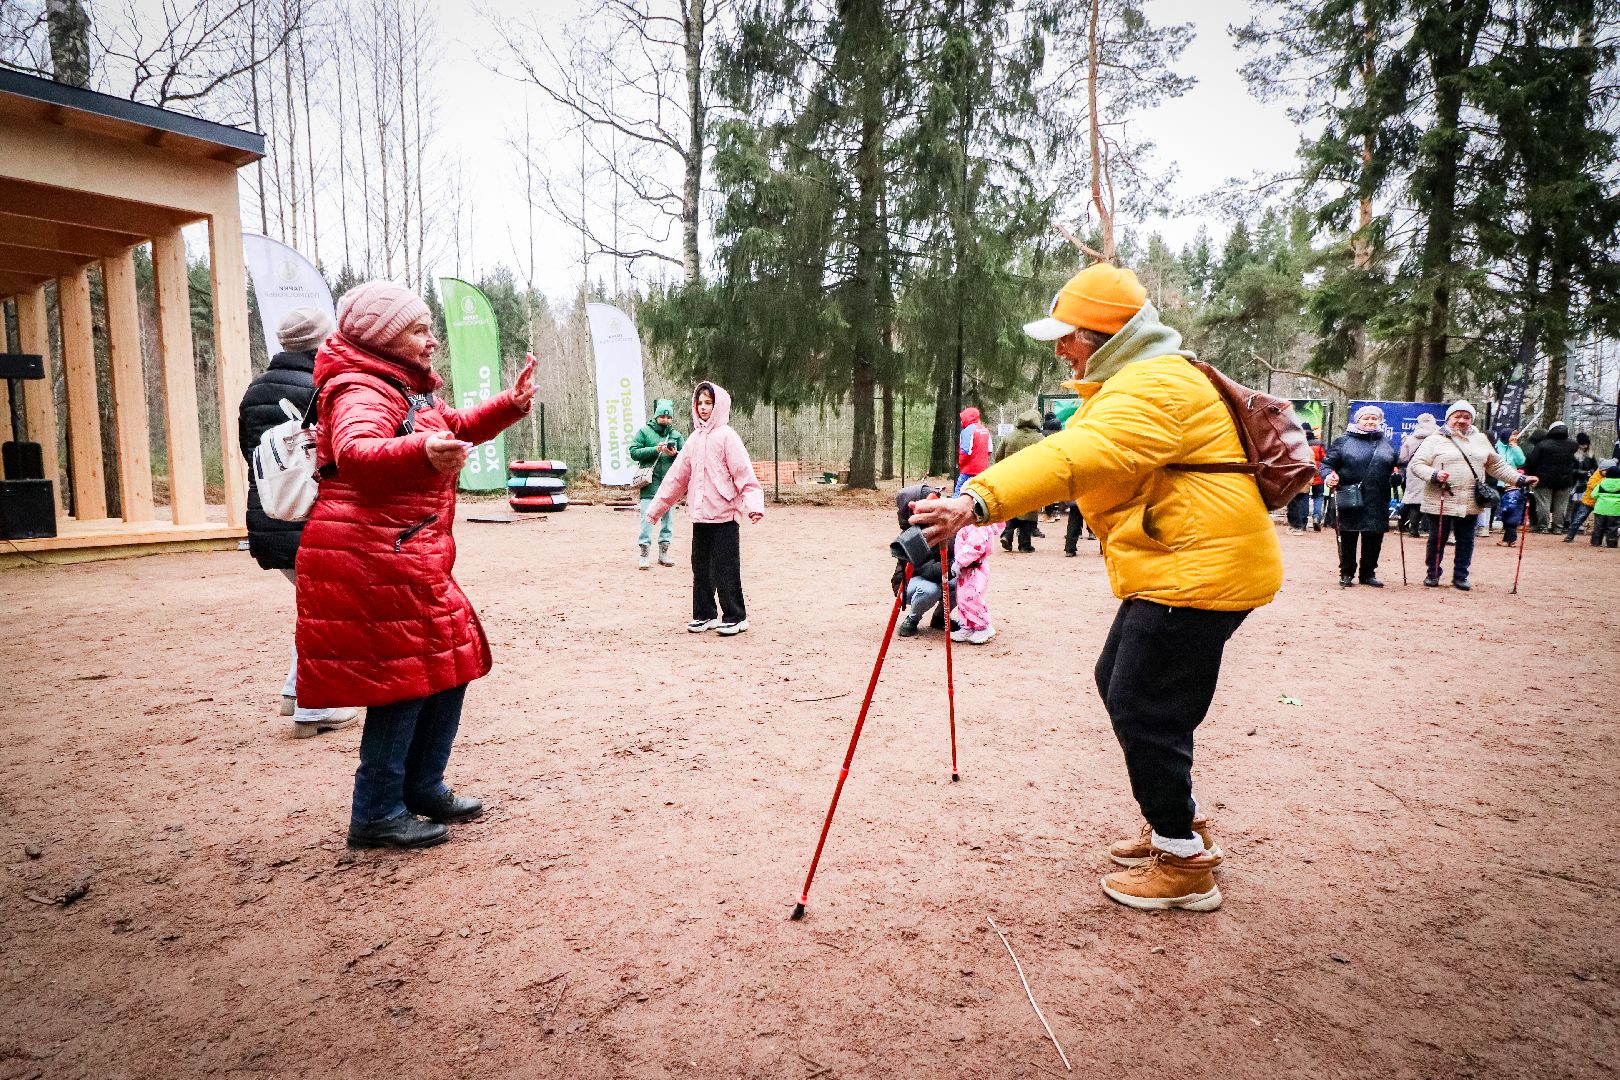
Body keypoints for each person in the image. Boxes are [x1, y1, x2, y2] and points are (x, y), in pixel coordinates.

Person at [912, 262, 1281, 913]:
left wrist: (978, 500)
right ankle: (1180, 825)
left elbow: (1075, 457)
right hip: (1183, 563)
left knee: (1143, 705)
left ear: (1106, 336)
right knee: (1121, 683)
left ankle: (1183, 864)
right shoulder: (1138, 379)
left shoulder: (1155, 385)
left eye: (1069, 335)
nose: (1060, 349)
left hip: (1196, 570)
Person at [297, 280, 535, 849]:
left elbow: (455, 428)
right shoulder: (359, 387)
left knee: (451, 662)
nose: (432, 341)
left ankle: (422, 786)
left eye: (430, 329)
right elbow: (356, 452)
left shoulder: (406, 386)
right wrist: (421, 452)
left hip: (403, 548)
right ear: (384, 337)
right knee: (401, 679)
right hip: (370, 553)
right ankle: (376, 812)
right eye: (418, 330)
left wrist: (508, 405)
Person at [237, 308, 364, 738]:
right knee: (331, 611)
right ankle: (315, 706)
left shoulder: (256, 389)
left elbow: (251, 454)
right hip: (315, 516)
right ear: (325, 340)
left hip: (271, 514)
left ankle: (297, 690)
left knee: (316, 606)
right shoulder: (324, 385)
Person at [646, 381, 764, 636]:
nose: (703, 407)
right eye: (699, 403)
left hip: (725, 516)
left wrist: (754, 505)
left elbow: (744, 473)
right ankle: (704, 614)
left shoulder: (727, 436)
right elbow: (676, 478)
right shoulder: (693, 440)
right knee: (700, 569)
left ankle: (736, 616)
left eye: (708, 403)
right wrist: (656, 509)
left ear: (718, 405)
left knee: (726, 568)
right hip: (700, 516)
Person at [1407, 401, 1527, 590]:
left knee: (1466, 540)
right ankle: (1433, 574)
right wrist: (1434, 474)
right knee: (1437, 539)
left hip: (1470, 499)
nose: (1461, 420)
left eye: (1466, 417)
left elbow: (1496, 465)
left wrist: (1519, 479)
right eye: (1457, 416)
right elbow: (1416, 464)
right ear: (1448, 418)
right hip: (1440, 498)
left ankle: (1461, 576)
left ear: (1472, 419)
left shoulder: (1480, 439)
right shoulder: (1434, 439)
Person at [1324, 405, 1397, 587]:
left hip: (1378, 498)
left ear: (1380, 421)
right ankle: (1346, 572)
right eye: (1366, 418)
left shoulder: (1386, 443)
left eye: (1374, 418)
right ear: (1357, 421)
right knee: (1348, 536)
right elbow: (1326, 464)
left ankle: (1368, 574)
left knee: (1374, 537)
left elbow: (1398, 466)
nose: (1370, 422)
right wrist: (1329, 476)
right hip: (1350, 497)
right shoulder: (1343, 441)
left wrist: (1398, 476)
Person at [892, 484, 956, 638]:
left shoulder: (942, 527)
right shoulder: (910, 537)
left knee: (965, 583)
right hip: (911, 583)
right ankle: (912, 619)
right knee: (929, 590)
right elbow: (922, 569)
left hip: (940, 575)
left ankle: (940, 617)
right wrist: (949, 567)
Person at [629, 399, 684, 569]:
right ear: (656, 416)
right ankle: (644, 554)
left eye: (668, 417)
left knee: (668, 521)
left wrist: (675, 454)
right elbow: (633, 452)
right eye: (662, 416)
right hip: (649, 484)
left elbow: (686, 458)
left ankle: (664, 554)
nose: (665, 420)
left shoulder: (676, 435)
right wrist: (655, 449)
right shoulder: (644, 432)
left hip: (670, 485)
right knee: (647, 519)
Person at [995, 409, 1045, 552]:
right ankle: (1024, 545)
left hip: (1010, 479)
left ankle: (1007, 535)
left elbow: (998, 457)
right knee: (1027, 511)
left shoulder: (1009, 437)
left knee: (1012, 508)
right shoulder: (1040, 439)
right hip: (1031, 480)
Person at [951, 521, 1002, 644]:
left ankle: (983, 626)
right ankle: (967, 626)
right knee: (962, 598)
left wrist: (959, 561)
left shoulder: (979, 525)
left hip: (975, 568)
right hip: (965, 568)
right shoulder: (968, 523)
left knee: (972, 597)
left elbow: (975, 546)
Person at [1524, 421, 1578, 533]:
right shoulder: (1573, 445)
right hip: (1565, 480)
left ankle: (1542, 526)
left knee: (1543, 503)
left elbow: (1532, 462)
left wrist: (1531, 474)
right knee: (1561, 505)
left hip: (1543, 480)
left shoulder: (1542, 445)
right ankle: (1558, 527)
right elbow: (1576, 462)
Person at [1398, 413, 1439, 536]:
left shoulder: (1411, 438)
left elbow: (1403, 457)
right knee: (1432, 499)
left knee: (1413, 500)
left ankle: (1412, 529)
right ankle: (1430, 530)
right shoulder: (1439, 437)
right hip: (1432, 469)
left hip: (1413, 470)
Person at [1563, 459, 1610, 542]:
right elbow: (1592, 485)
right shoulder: (1595, 476)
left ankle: (1597, 539)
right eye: (1604, 470)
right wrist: (1605, 486)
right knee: (1579, 518)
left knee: (1600, 522)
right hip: (1588, 502)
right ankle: (1570, 535)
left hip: (1601, 503)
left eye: (1608, 471)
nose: (1606, 472)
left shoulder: (1611, 478)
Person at [956, 406, 992, 495]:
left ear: (967, 418)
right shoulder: (986, 430)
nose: (961, 421)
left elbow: (965, 451)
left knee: (959, 491)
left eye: (962, 419)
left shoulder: (967, 431)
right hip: (983, 469)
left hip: (968, 469)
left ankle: (956, 503)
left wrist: (961, 464)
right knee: (980, 493)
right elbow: (989, 450)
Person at [1590, 462, 1620, 548]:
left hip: (1600, 509)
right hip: (1615, 510)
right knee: (1612, 527)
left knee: (1598, 527)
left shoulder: (1602, 483)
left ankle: (1595, 542)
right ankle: (1611, 543)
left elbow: (1593, 495)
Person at [1305, 423, 1327, 531]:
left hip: (1305, 475)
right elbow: (1325, 458)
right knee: (1318, 496)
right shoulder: (1319, 444)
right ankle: (1317, 517)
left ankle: (1302, 521)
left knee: (1303, 497)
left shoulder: (1300, 443)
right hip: (1318, 474)